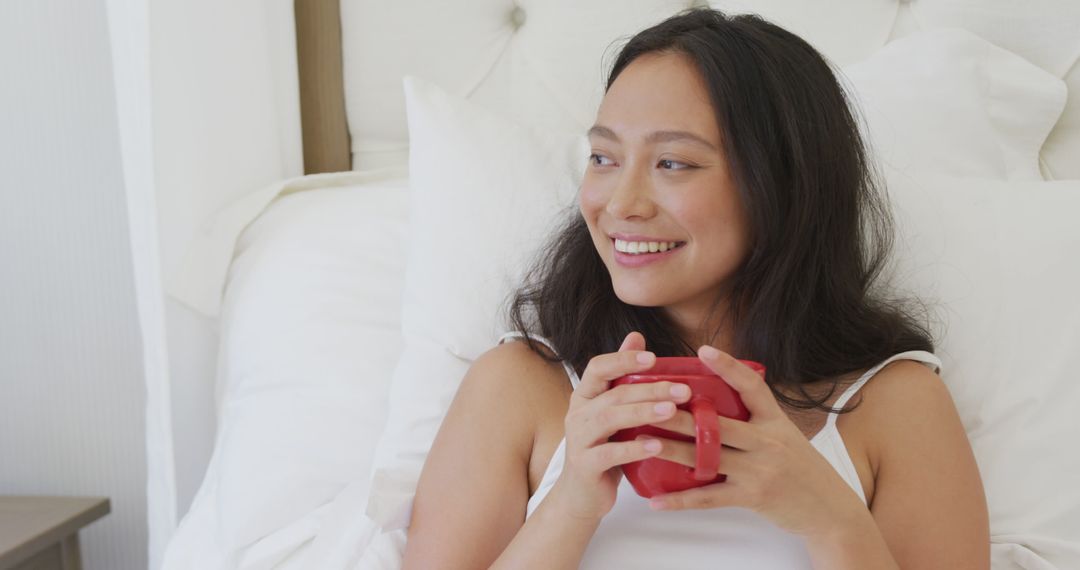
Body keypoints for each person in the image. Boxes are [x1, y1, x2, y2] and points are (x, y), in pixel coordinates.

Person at [402, 7, 989, 569]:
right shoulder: (518, 385)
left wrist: (830, 519)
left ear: (779, 186)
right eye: (604, 157)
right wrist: (571, 504)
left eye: (674, 164)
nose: (621, 204)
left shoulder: (894, 403)